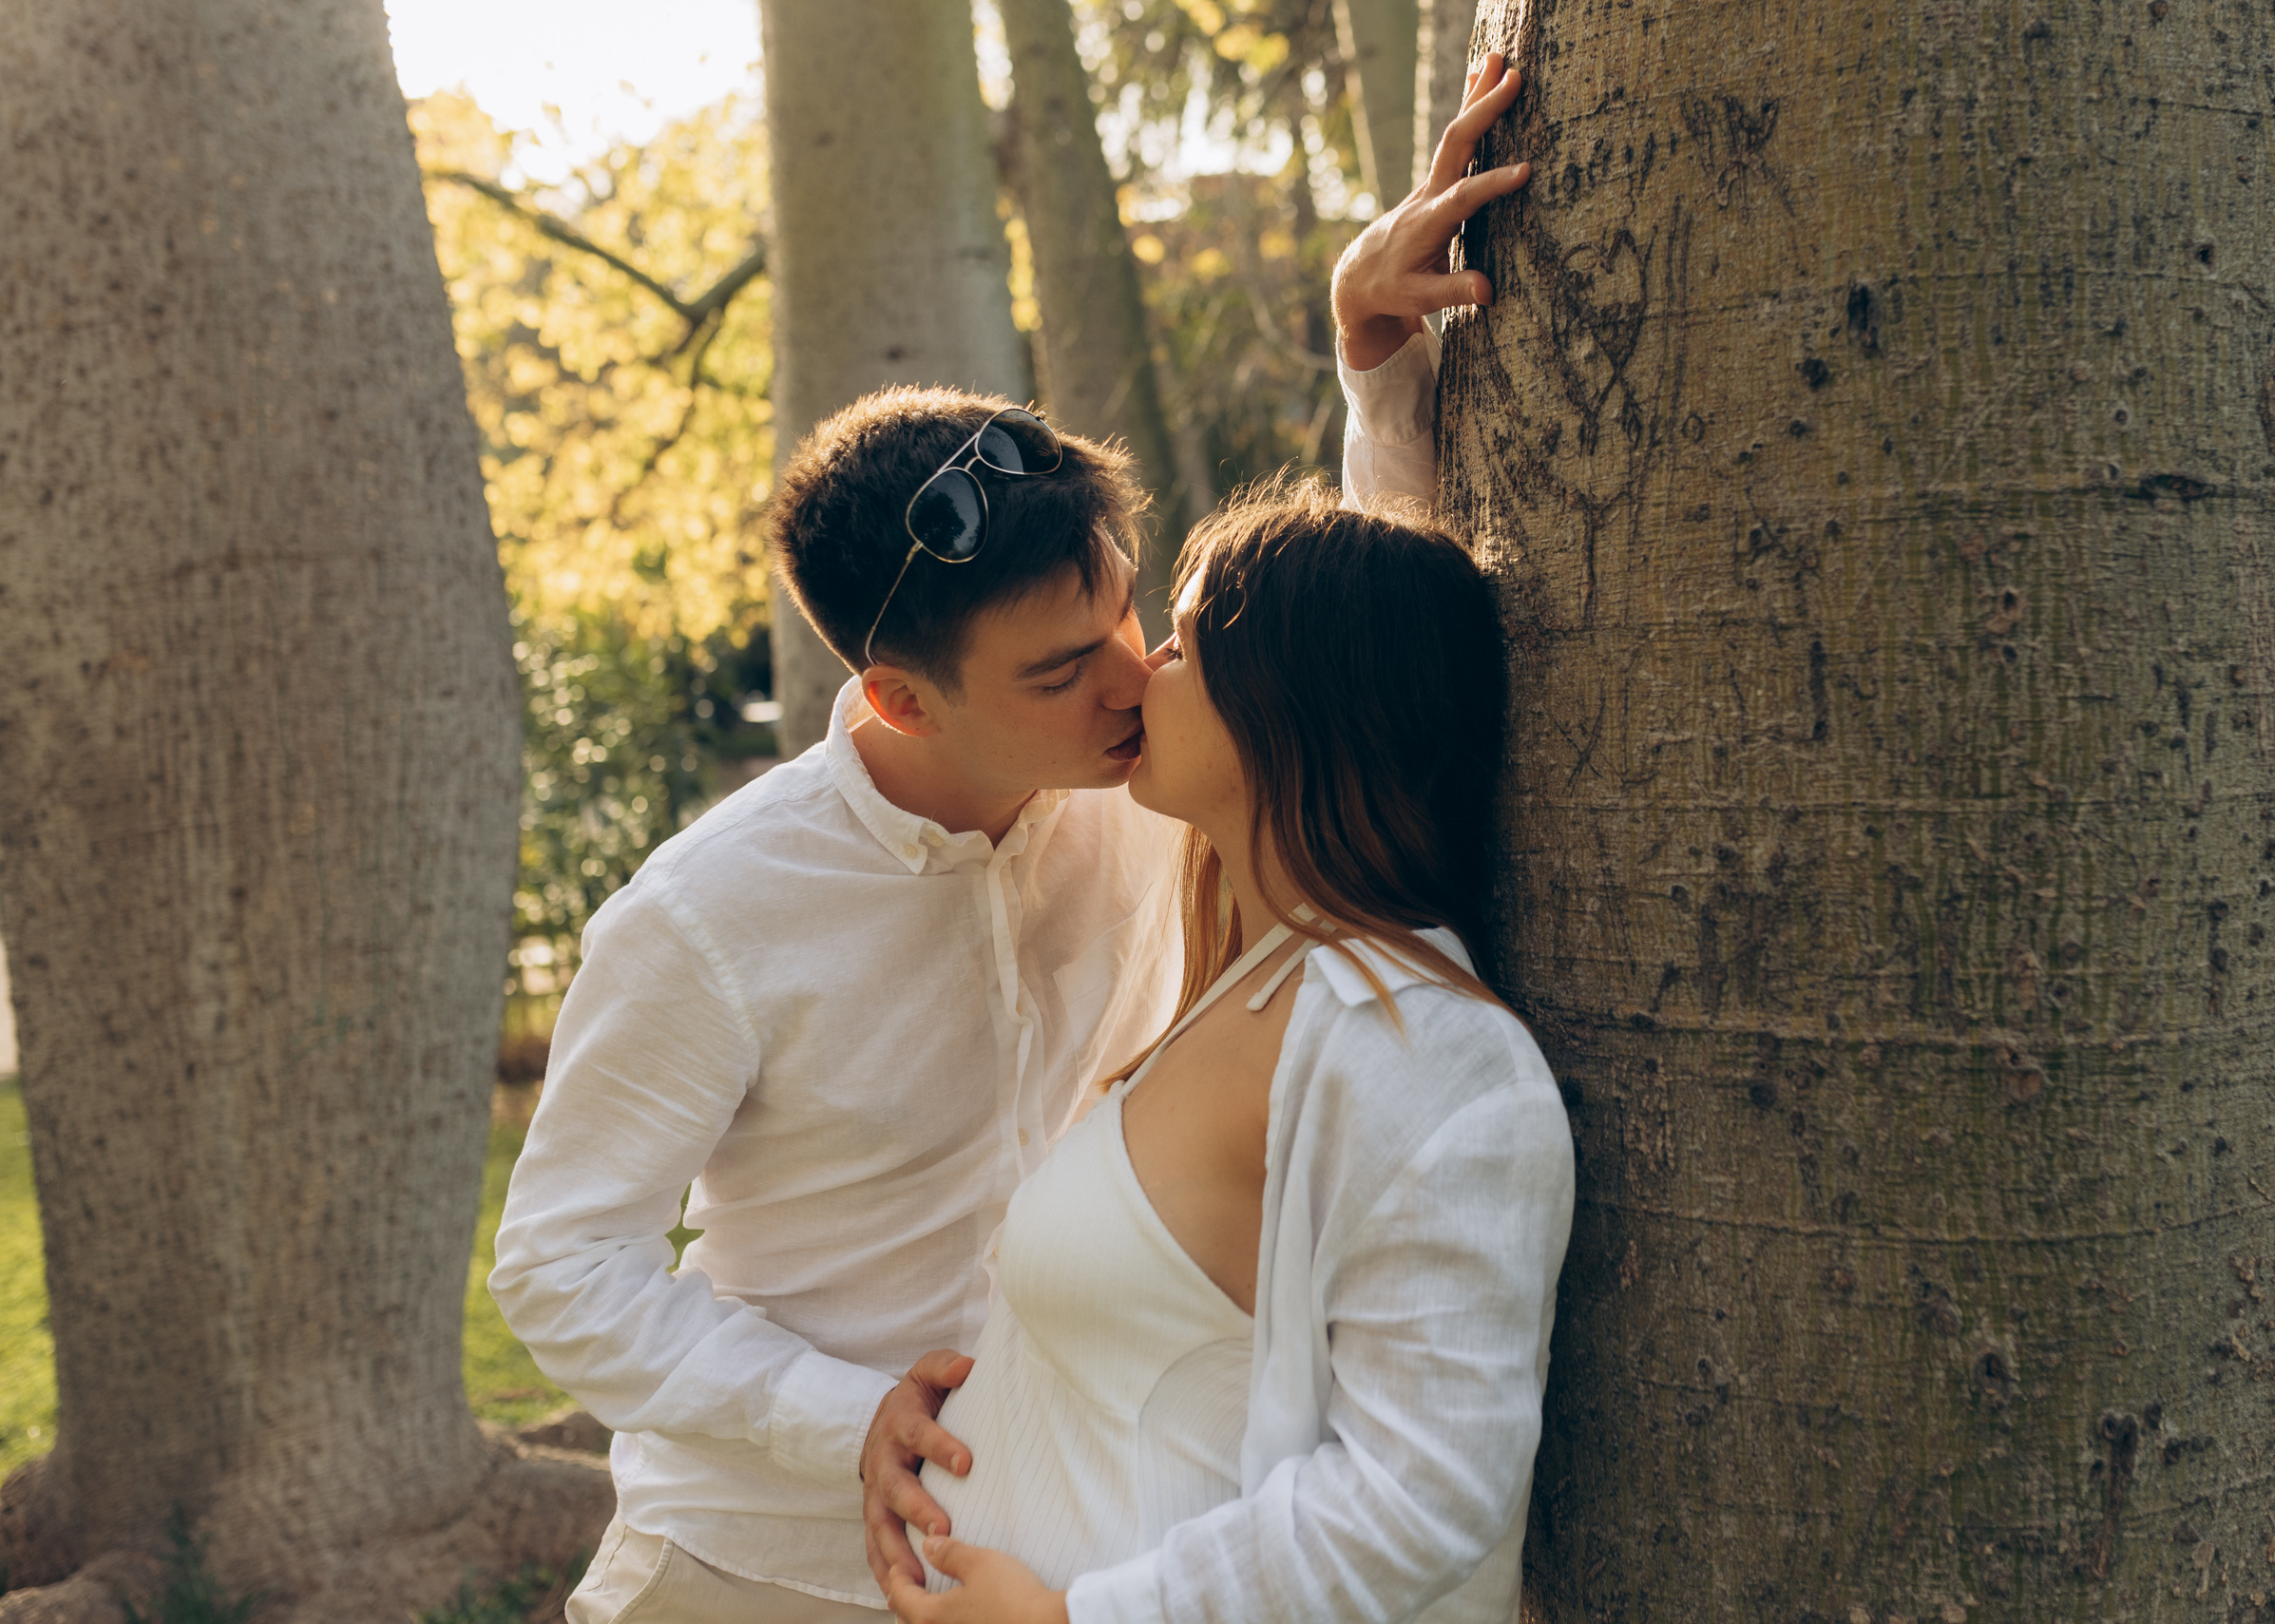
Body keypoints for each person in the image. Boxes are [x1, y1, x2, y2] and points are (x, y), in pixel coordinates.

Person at [490, 49, 1524, 1624]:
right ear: (900, 699)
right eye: (1063, 670)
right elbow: (560, 1263)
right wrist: (846, 1412)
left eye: (1125, 615)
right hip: (754, 1559)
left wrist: (1374, 366)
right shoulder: (711, 914)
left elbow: (1348, 685)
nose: (1134, 680)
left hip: (1065, 1545)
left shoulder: (1155, 788)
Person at [880, 474, 1575, 1624]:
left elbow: (1423, 1491)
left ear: (1290, 702)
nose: (1139, 667)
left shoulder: (1423, 1053)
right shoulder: (1246, 971)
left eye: (1186, 639)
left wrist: (1070, 1620)